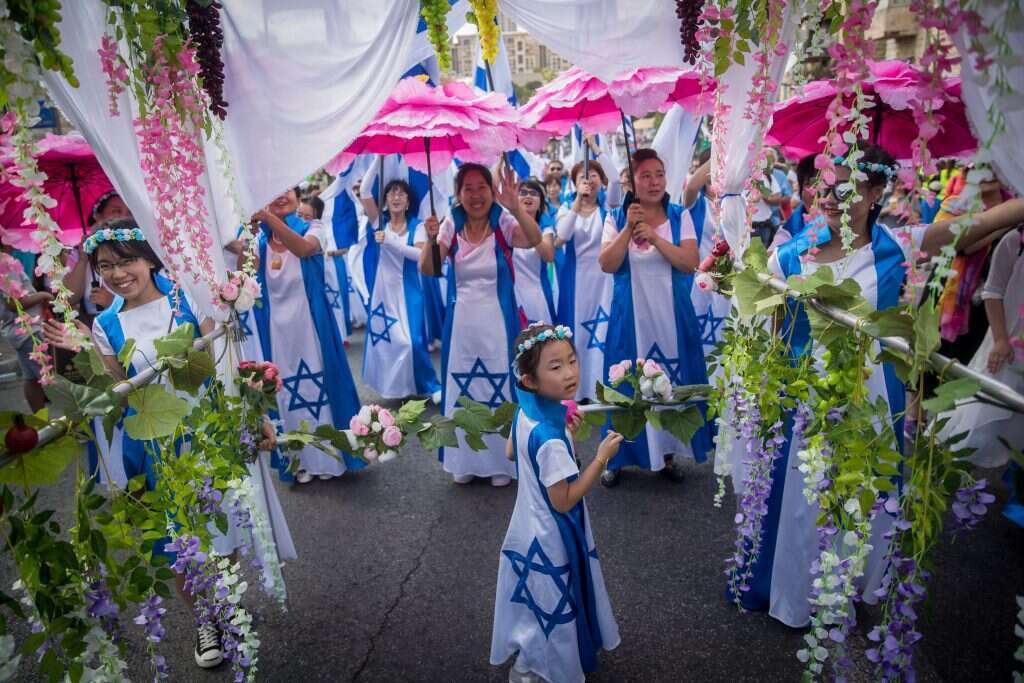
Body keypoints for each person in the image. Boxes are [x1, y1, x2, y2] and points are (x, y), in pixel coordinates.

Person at [741, 144, 1024, 628]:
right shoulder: (787, 256)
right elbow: (773, 330)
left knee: (864, 494)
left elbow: (974, 228)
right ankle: (797, 595)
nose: (830, 197)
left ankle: (847, 585)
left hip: (872, 398)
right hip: (808, 398)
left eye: (847, 187)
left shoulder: (898, 245)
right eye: (826, 186)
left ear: (874, 193)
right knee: (805, 496)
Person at [43, 222, 277, 668]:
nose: (117, 274)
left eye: (126, 260)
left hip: (207, 430)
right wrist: (85, 353)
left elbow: (224, 361)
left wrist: (257, 413)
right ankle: (208, 619)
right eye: (105, 266)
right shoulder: (106, 324)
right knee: (176, 540)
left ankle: (224, 599)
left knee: (220, 525)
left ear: (150, 258)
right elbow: (117, 390)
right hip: (152, 444)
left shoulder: (187, 298)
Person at [490, 323, 622, 683]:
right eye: (555, 367)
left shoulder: (528, 411)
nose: (570, 373)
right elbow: (563, 501)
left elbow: (509, 451)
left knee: (536, 596)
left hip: (525, 522)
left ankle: (535, 658)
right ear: (530, 380)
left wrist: (568, 432)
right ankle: (543, 667)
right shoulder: (549, 437)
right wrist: (600, 458)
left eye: (572, 361)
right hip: (551, 533)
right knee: (553, 599)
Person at [420, 162, 543, 486]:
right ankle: (465, 460)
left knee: (498, 385)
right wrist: (430, 239)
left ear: (491, 191)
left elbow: (534, 240)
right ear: (459, 194)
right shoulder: (450, 224)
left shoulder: (502, 221)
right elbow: (429, 269)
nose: (475, 195)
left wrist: (515, 205)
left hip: (497, 321)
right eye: (468, 188)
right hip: (461, 324)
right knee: (461, 385)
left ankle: (500, 463)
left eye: (481, 187)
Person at [598, 148, 715, 487]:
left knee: (671, 384)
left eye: (659, 174)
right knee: (625, 386)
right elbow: (607, 263)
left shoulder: (680, 216)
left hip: (672, 317)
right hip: (630, 317)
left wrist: (655, 238)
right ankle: (617, 458)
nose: (653, 182)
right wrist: (628, 229)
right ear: (632, 181)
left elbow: (690, 262)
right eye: (645, 175)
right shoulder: (616, 217)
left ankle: (665, 455)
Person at [251, 188, 364, 485]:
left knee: (320, 388)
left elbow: (302, 249)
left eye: (286, 188)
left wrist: (268, 218)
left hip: (310, 326)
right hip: (276, 332)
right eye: (272, 190)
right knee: (282, 393)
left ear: (298, 197)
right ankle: (296, 459)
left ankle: (329, 458)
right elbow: (245, 278)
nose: (279, 195)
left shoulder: (314, 228)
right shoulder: (261, 241)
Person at [938, 227, 1024, 495]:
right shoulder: (1014, 241)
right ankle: (953, 477)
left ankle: (1016, 486)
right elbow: (993, 291)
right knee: (983, 411)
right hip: (1009, 341)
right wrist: (1000, 339)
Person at [358, 178, 442, 403]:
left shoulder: (419, 226)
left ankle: (430, 384)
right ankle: (395, 387)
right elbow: (365, 189)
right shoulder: (378, 222)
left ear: (408, 201)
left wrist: (392, 242)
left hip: (409, 291)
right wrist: (379, 153)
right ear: (385, 200)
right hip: (382, 293)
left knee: (412, 341)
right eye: (391, 193)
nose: (396, 197)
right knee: (388, 342)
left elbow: (420, 255)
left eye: (401, 194)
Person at [554, 160, 611, 401]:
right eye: (583, 178)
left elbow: (617, 183)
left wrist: (599, 150)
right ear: (574, 184)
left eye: (595, 175)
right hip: (576, 283)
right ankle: (577, 390)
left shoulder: (608, 208)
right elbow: (562, 235)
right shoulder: (567, 208)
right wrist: (578, 201)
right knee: (577, 334)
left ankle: (601, 384)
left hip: (604, 281)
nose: (590, 180)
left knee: (603, 333)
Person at [63, 191, 132, 327]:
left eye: (129, 212)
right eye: (116, 211)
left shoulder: (138, 249)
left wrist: (114, 302)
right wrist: (83, 259)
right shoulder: (79, 253)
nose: (123, 217)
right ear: (98, 216)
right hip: (93, 327)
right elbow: (68, 299)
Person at [1, 245, 50, 411]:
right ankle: (69, 424)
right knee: (49, 378)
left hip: (19, 330)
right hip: (28, 330)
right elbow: (14, 303)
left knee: (31, 378)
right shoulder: (4, 263)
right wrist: (43, 295)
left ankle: (41, 419)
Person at [513, 178, 557, 325]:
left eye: (533, 193)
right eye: (523, 192)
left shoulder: (545, 228)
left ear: (540, 204)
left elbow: (549, 256)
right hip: (511, 295)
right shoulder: (507, 228)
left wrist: (530, 226)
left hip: (537, 297)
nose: (528, 196)